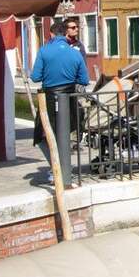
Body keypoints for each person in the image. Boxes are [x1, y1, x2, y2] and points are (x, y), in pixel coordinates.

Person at [31, 20, 89, 184]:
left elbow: (35, 77)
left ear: (51, 34)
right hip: (69, 100)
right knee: (64, 134)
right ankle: (63, 170)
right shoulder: (75, 53)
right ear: (65, 34)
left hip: (49, 100)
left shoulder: (44, 51)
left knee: (41, 137)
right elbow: (84, 80)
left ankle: (56, 168)